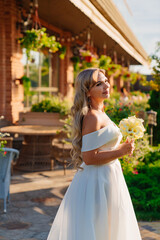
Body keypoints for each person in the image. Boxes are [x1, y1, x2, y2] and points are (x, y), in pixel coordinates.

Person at [47, 68, 142, 240]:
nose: (106, 85)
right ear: (88, 91)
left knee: (108, 226)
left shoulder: (101, 112)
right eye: (99, 84)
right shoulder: (92, 117)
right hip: (96, 180)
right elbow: (89, 158)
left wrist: (122, 146)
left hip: (108, 176)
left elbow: (102, 147)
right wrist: (120, 152)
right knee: (98, 227)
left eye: (105, 81)